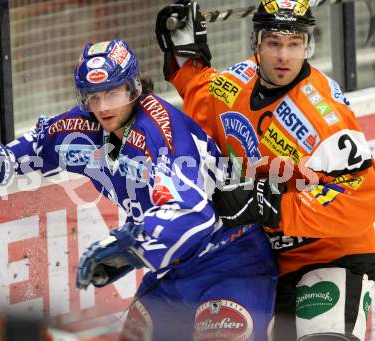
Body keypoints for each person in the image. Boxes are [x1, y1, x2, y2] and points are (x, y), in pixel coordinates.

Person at [0, 38, 278, 340]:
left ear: (133, 89)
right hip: (171, 271)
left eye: (112, 94)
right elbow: (42, 145)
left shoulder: (159, 133)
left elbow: (194, 215)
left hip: (230, 260)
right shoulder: (87, 126)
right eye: (93, 97)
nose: (102, 107)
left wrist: (127, 243)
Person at [156, 1, 375, 340]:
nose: (284, 56)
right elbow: (204, 93)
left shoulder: (325, 118)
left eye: (294, 44)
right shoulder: (237, 83)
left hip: (333, 254)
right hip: (266, 258)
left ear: (308, 45)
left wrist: (273, 205)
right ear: (256, 43)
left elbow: (363, 199)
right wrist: (186, 58)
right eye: (273, 43)